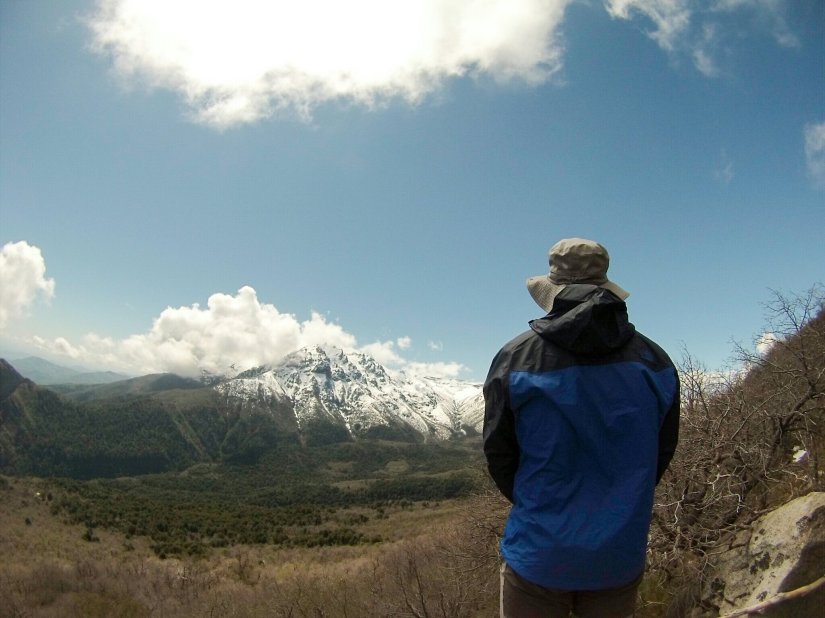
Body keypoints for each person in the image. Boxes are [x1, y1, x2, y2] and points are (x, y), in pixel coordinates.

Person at [483, 238, 680, 618]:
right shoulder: (655, 362)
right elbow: (660, 452)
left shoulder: (514, 359)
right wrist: (619, 505)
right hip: (618, 554)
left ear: (554, 292)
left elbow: (500, 455)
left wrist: (542, 505)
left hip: (537, 553)